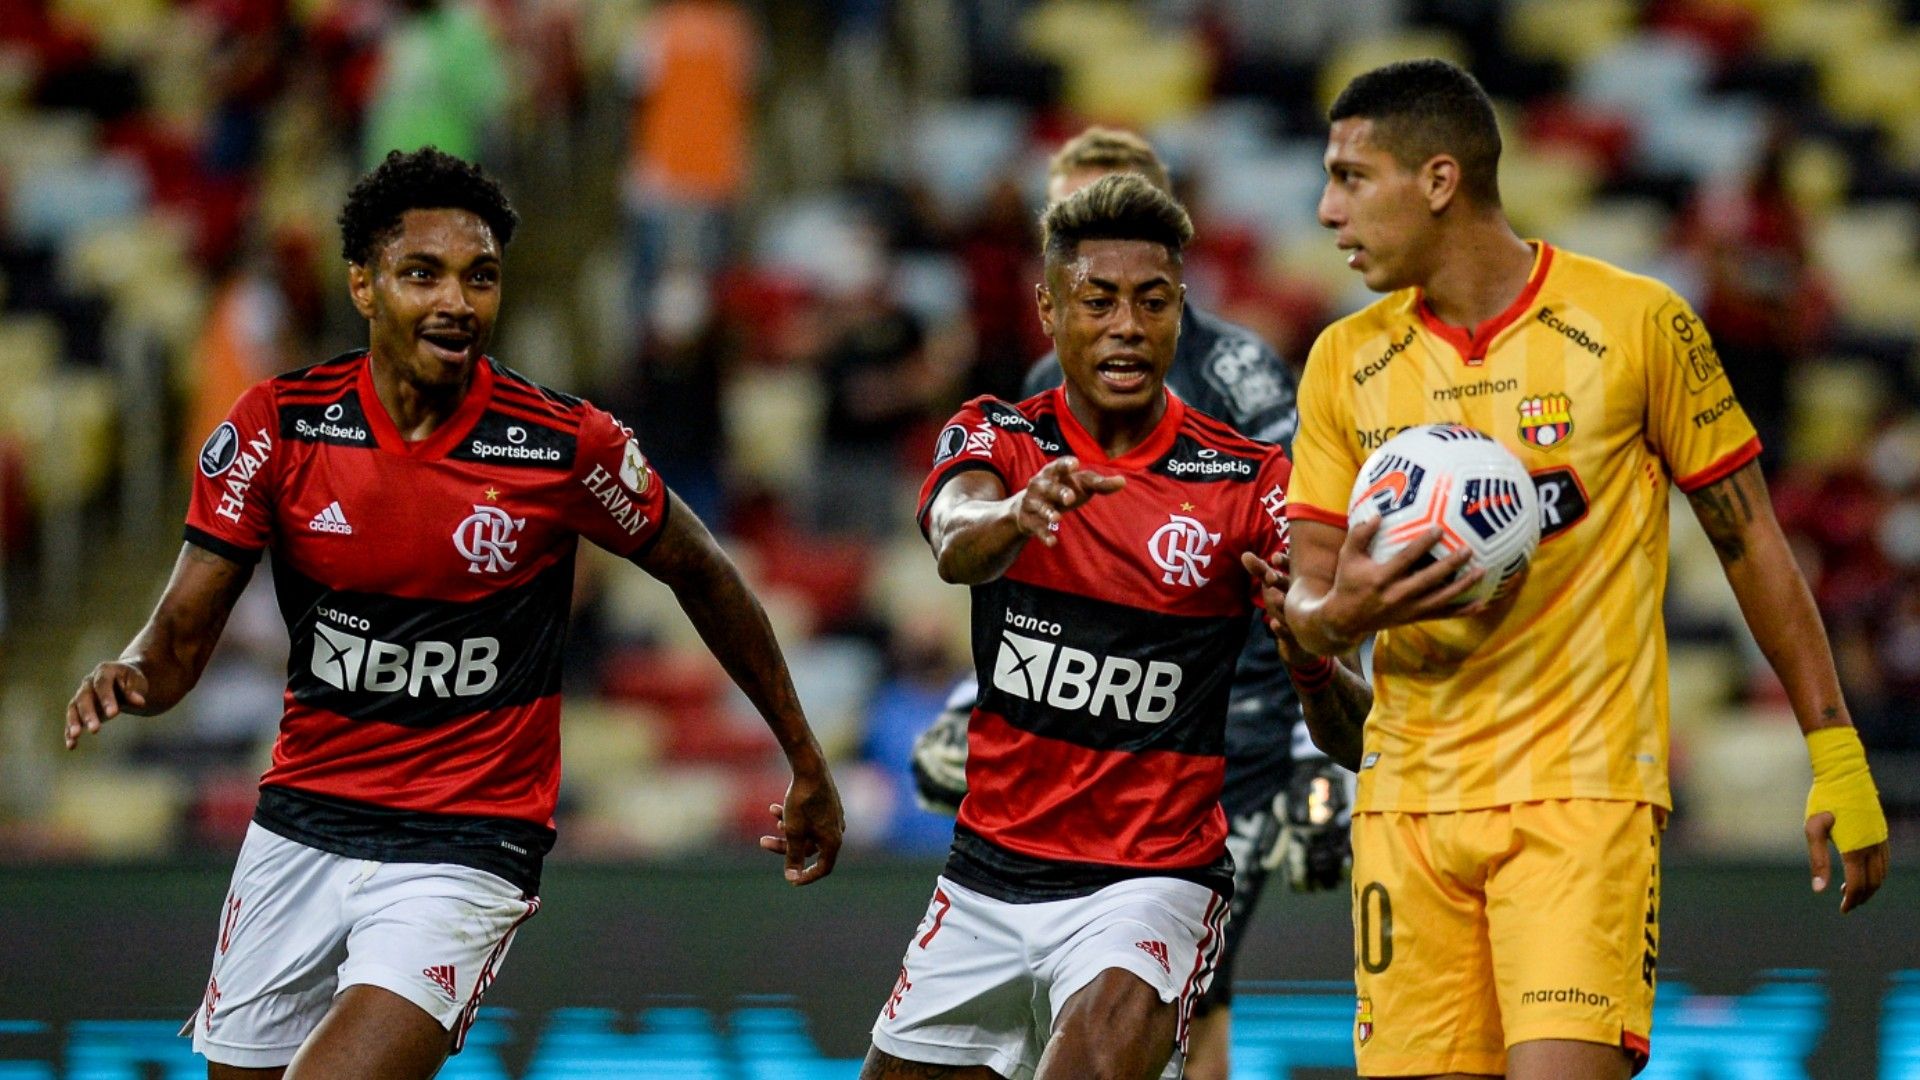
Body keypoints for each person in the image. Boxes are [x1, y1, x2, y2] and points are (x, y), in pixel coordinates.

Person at [62, 147, 844, 1080]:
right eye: (422, 274)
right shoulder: (281, 426)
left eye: (480, 277)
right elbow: (179, 639)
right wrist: (132, 673)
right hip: (300, 826)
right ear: (362, 284)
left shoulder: (562, 445)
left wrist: (804, 755)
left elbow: (706, 574)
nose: (456, 302)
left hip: (465, 841)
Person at [1279, 59, 1891, 1080]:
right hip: (1407, 806)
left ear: (1439, 180)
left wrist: (1835, 753)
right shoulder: (1344, 360)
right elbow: (1309, 589)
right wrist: (1326, 621)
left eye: (1351, 178)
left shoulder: (1636, 322)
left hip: (1581, 797)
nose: (1326, 210)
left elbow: (1749, 540)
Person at [863, 172, 1367, 1080]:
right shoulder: (998, 437)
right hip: (986, 878)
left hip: (1151, 884)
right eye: (1098, 301)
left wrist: (1310, 661)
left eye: (1153, 301)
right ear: (1049, 310)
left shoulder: (1251, 484)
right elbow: (954, 539)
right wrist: (1015, 514)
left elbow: (1359, 735)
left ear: (1181, 312)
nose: (1127, 325)